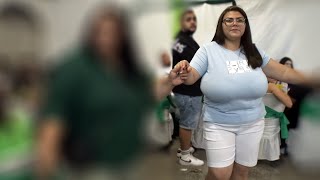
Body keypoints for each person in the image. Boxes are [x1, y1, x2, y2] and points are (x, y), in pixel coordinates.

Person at [35, 5, 188, 180]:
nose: (107, 39)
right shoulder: (74, 69)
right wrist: (46, 165)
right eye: (102, 32)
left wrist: (170, 81)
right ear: (91, 34)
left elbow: (146, 94)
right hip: (92, 168)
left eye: (114, 33)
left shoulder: (128, 68)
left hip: (128, 161)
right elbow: (53, 121)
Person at [174, 5, 319, 180]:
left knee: (242, 173)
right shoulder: (208, 50)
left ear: (245, 25)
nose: (234, 23)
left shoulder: (254, 51)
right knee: (220, 174)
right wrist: (184, 70)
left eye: (239, 20)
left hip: (252, 123)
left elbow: (284, 72)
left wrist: (312, 78)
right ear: (221, 24)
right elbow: (191, 76)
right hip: (219, 123)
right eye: (229, 20)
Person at [172, 9, 204, 166]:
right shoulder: (183, 42)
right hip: (188, 91)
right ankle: (185, 156)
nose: (193, 22)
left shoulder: (183, 40)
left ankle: (184, 148)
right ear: (181, 22)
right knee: (187, 122)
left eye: (194, 19)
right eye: (188, 19)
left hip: (186, 91)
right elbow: (197, 66)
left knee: (187, 121)